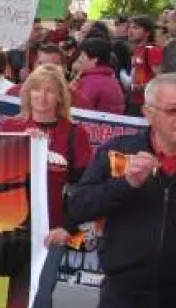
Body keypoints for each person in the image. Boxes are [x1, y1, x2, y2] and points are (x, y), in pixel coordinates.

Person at [65, 73, 176, 307]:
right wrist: (126, 184)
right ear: (148, 113)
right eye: (172, 111)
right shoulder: (118, 151)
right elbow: (79, 206)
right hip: (124, 292)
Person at [0, 65, 92, 308]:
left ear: (60, 96)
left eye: (50, 91)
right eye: (36, 89)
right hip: (10, 229)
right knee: (7, 295)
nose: (42, 96)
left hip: (51, 231)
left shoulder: (74, 134)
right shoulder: (10, 128)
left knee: (39, 296)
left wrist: (69, 226)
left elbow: (85, 188)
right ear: (27, 93)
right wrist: (23, 147)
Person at [7, 44, 93, 110]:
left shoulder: (78, 101)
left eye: (53, 65)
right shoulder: (14, 93)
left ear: (64, 68)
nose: (46, 69)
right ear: (34, 66)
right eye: (41, 64)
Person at [73, 38, 126, 114]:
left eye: (83, 56)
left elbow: (79, 109)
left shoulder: (92, 82)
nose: (79, 59)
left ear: (95, 59)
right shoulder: (110, 79)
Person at [127, 15, 162, 115]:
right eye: (130, 27)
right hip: (135, 100)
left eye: (135, 28)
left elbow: (159, 79)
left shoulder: (152, 50)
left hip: (147, 103)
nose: (130, 31)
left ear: (147, 32)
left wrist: (139, 87)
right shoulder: (139, 49)